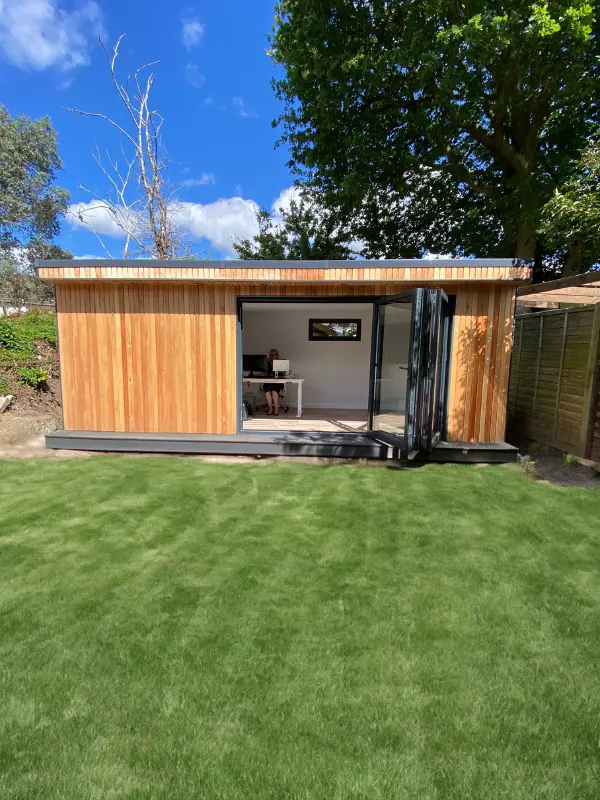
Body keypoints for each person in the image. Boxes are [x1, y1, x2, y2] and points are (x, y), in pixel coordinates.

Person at [262, 348, 284, 415]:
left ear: (277, 355)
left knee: (274, 391)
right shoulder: (266, 363)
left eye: (274, 355)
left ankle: (276, 410)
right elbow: (265, 372)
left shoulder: (280, 363)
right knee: (267, 392)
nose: (272, 356)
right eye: (271, 355)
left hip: (277, 382)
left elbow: (282, 373)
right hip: (268, 381)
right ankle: (271, 409)